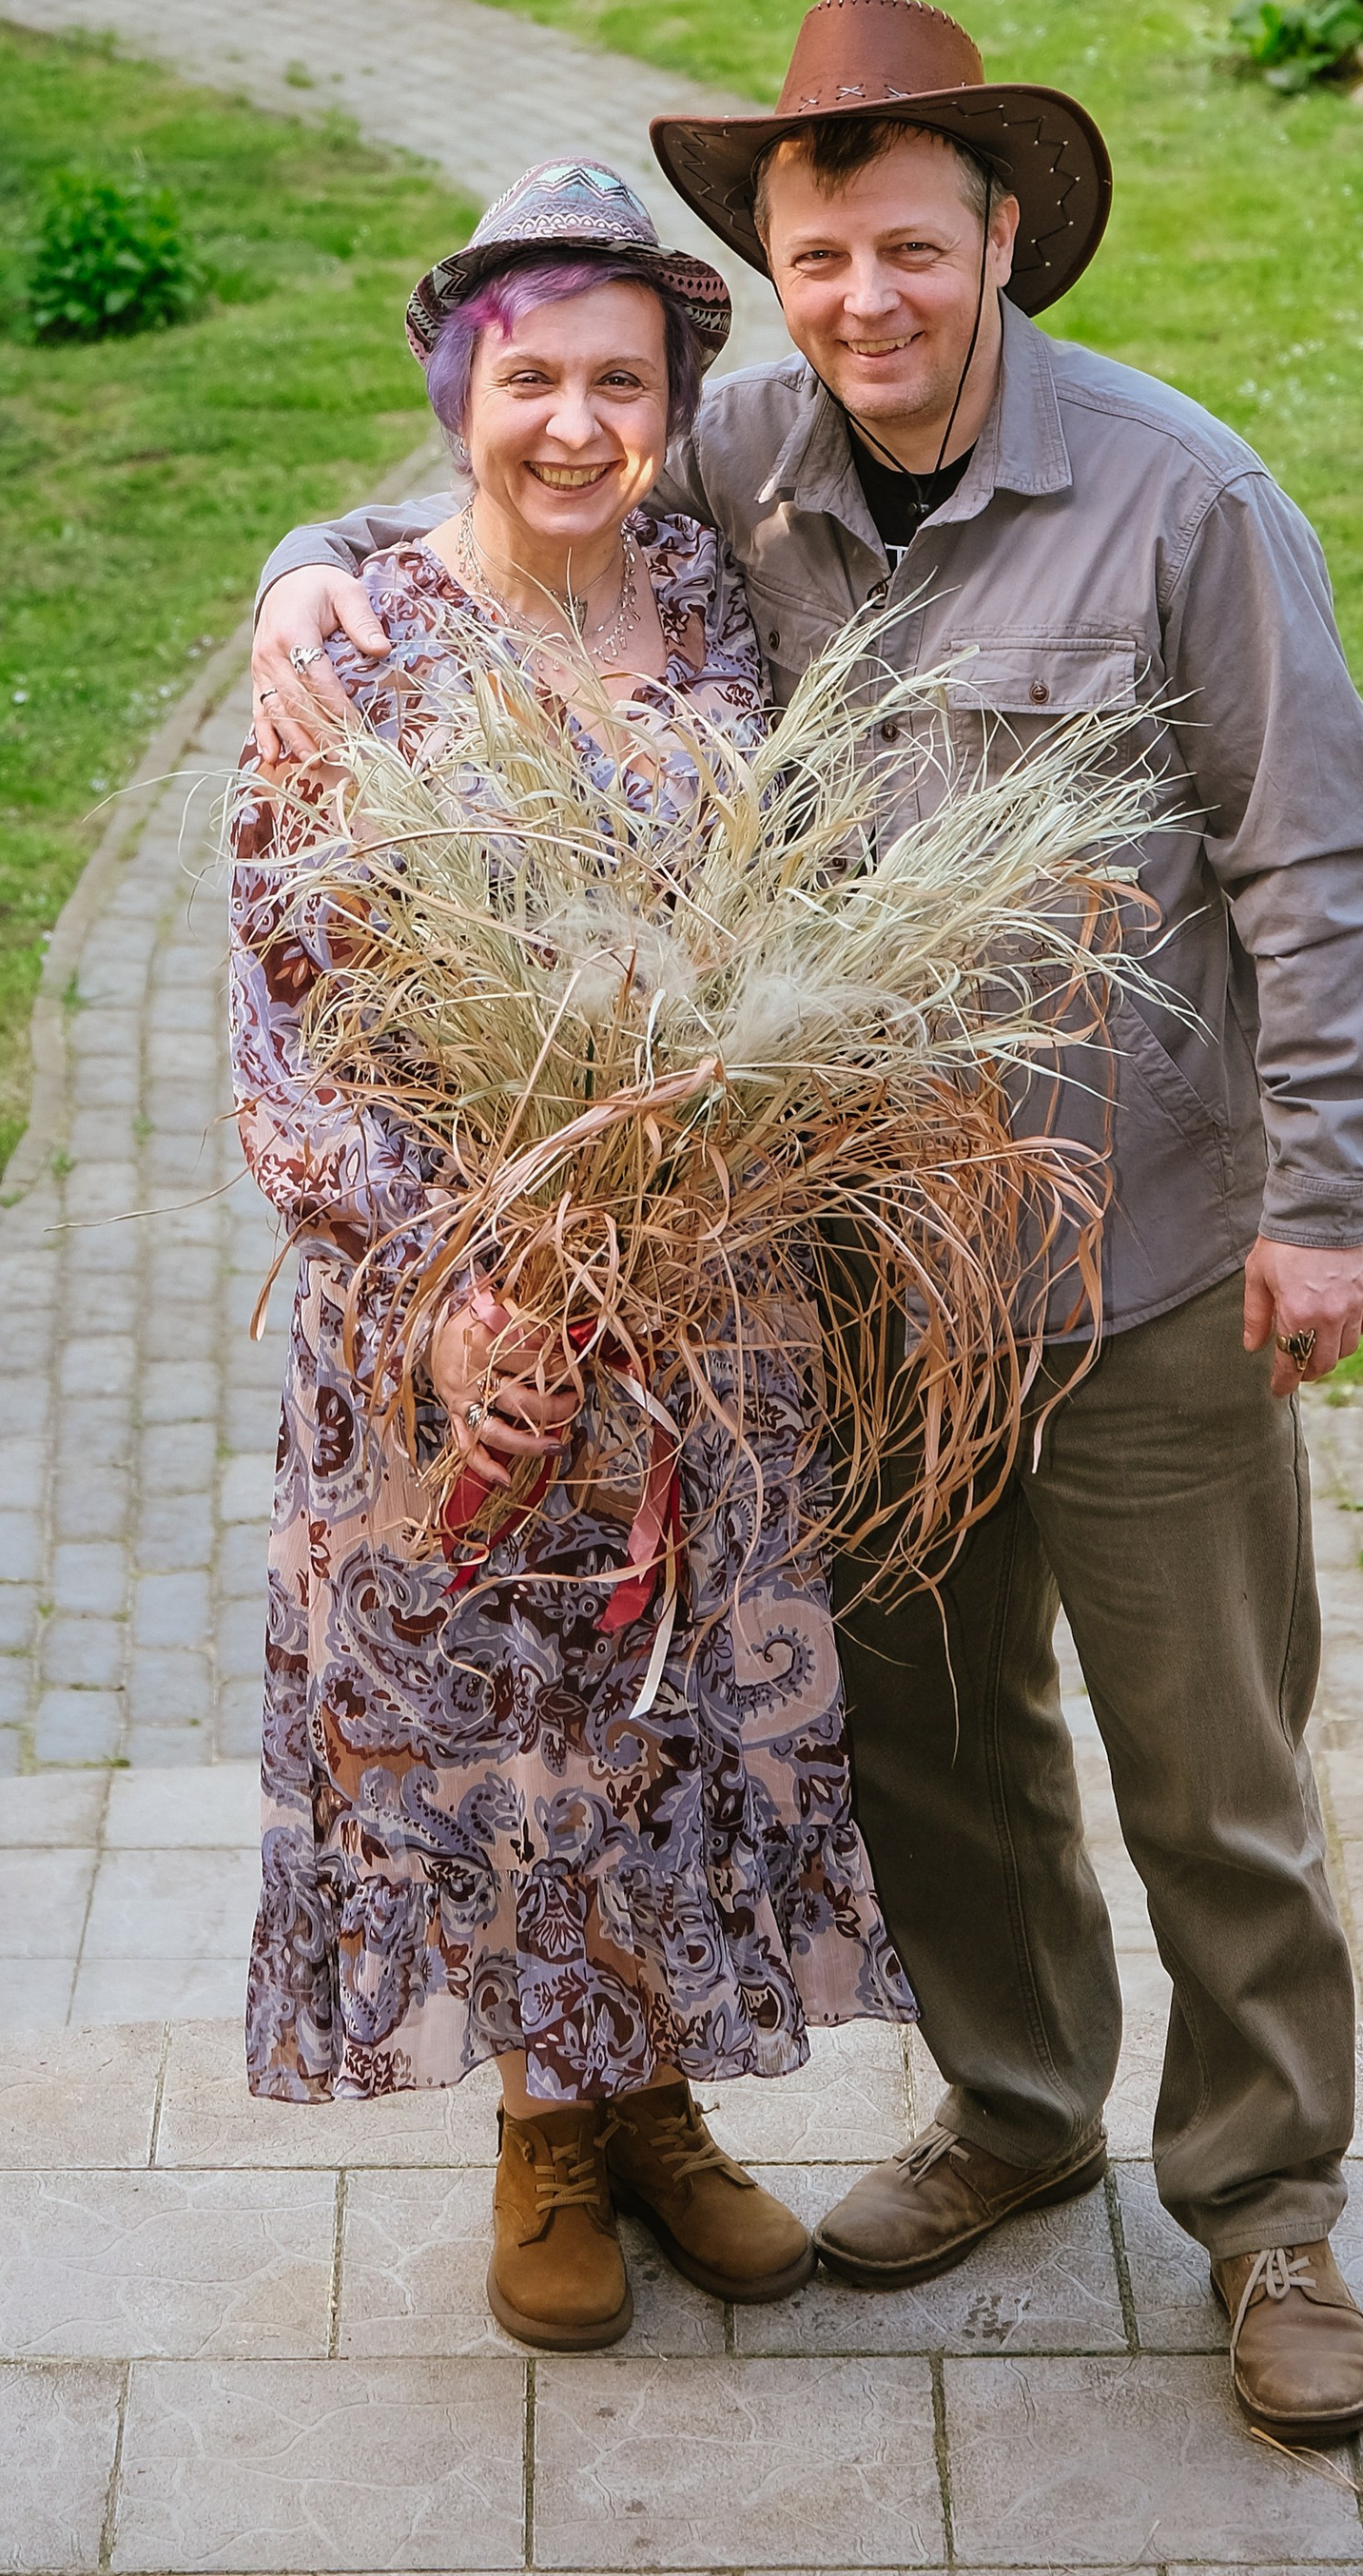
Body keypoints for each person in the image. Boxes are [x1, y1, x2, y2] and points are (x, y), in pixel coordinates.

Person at [250, 0, 1363, 2446]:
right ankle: (1013, 2110)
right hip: (864, 1283)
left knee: (1208, 1764)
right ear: (763, 275)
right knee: (940, 1740)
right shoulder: (736, 460)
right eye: (814, 251)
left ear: (1002, 244)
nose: (862, 295)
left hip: (1153, 1257)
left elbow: (1315, 862)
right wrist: (320, 584)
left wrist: (1325, 1199)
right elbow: (503, 514)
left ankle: (1268, 2207)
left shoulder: (1179, 501)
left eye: (909, 245)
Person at [231, 157, 914, 2356]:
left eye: (617, 380)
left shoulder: (709, 607)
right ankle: (543, 2135)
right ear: (460, 386)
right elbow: (289, 1032)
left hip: (699, 1303)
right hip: (461, 1325)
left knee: (668, 1715)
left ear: (670, 402)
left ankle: (658, 2119)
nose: (569, 424)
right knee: (505, 1728)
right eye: (529, 376)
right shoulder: (364, 646)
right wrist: (450, 1298)